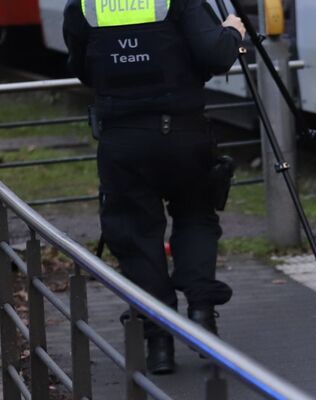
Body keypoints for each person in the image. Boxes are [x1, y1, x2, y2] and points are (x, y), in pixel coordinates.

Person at [63, 0, 246, 374]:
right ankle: (201, 315)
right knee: (196, 215)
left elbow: (82, 69)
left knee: (135, 233)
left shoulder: (85, 5)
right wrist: (233, 32)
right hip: (183, 133)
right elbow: (215, 55)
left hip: (122, 140)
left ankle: (158, 343)